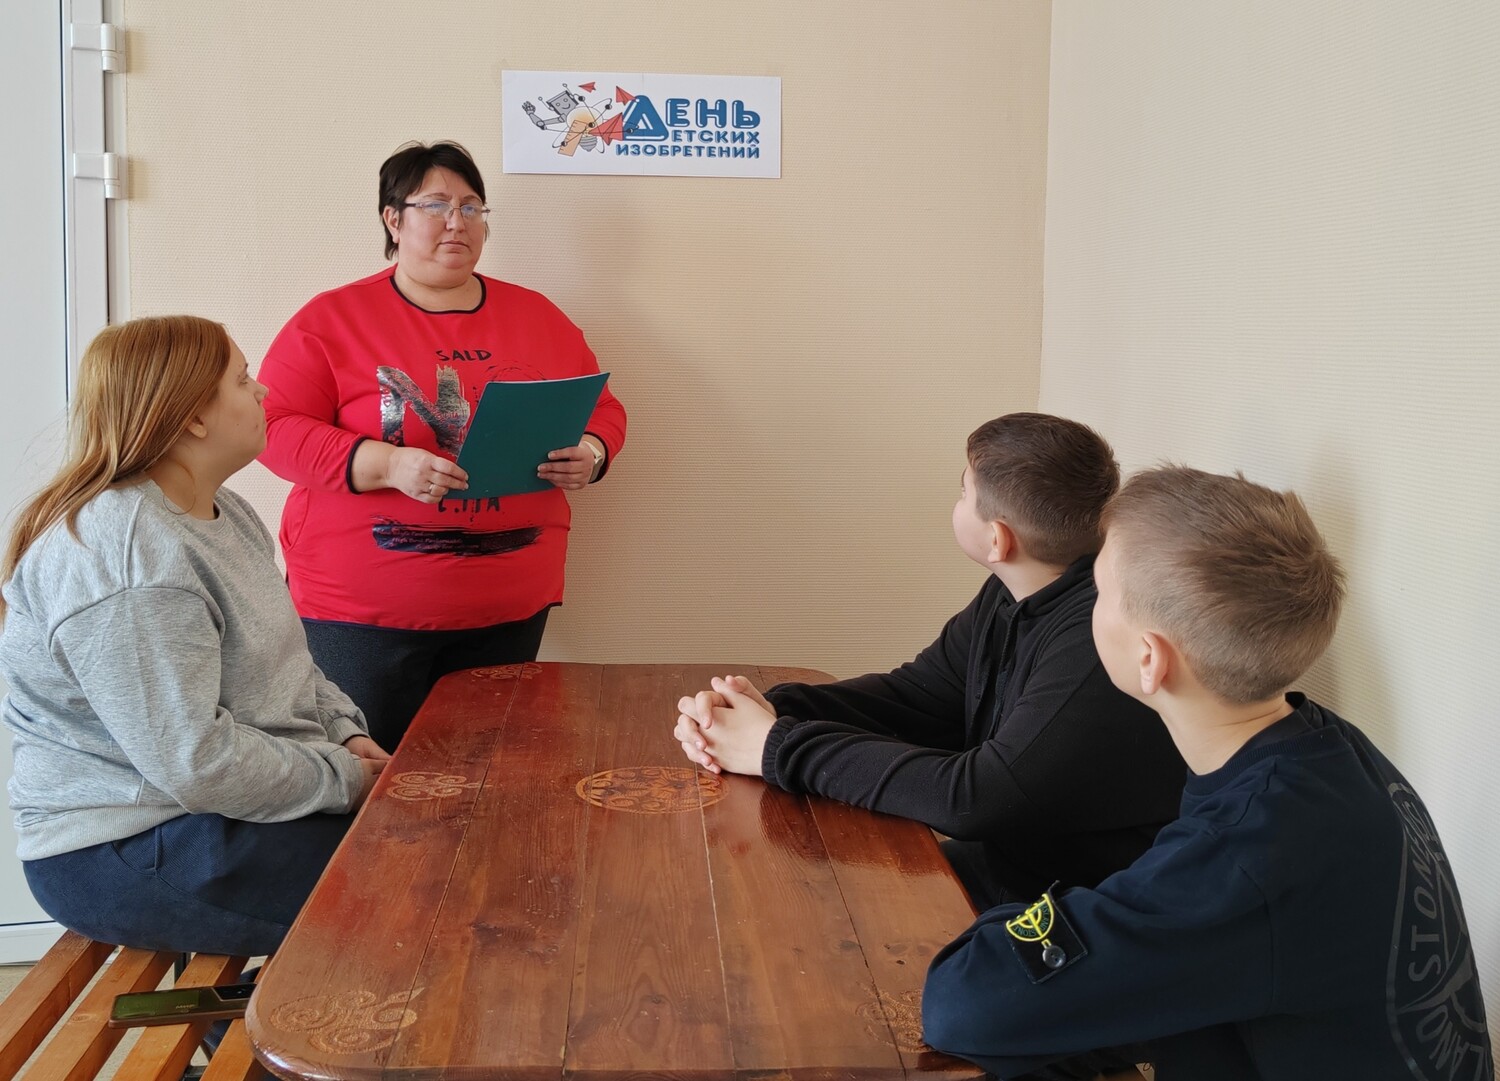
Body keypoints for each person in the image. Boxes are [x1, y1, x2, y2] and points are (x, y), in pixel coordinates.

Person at [922, 466, 1493, 1080]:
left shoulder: (1252, 853)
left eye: (1099, 589)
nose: (1086, 603)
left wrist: (1032, 920)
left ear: (1150, 658)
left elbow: (961, 1004)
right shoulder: (1331, 748)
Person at [673, 413, 1186, 908]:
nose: (956, 500)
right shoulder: (1014, 592)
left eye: (963, 492)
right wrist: (769, 712)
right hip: (1007, 870)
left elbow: (974, 798)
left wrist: (776, 747)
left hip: (1074, 906)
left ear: (997, 539)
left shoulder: (1095, 642)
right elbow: (920, 697)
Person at [0, 315, 388, 958]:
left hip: (209, 807)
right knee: (418, 885)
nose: (263, 391)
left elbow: (288, 663)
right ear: (192, 419)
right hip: (124, 843)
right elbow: (195, 762)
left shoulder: (224, 511)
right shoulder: (131, 558)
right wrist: (344, 778)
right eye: (242, 379)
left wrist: (344, 732)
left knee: (431, 846)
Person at [258, 140, 627, 750]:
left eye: (471, 207)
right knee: (373, 780)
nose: (457, 222)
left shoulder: (538, 316)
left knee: (486, 776)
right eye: (435, 205)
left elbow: (602, 409)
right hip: (362, 616)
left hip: (511, 603)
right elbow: (271, 426)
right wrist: (386, 464)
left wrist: (591, 451)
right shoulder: (332, 320)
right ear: (393, 219)